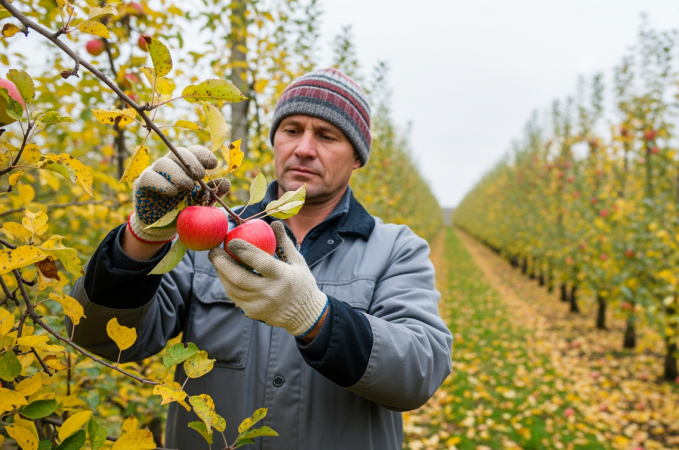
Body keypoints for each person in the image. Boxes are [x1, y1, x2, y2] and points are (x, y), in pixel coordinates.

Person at [68, 68, 452, 449]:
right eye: (291, 130)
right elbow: (100, 339)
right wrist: (142, 239)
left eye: (326, 135)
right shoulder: (210, 238)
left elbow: (419, 373)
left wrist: (316, 319)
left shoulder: (395, 249)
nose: (304, 148)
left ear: (357, 158)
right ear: (275, 140)